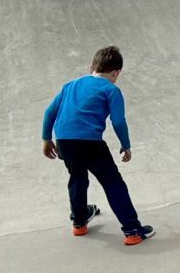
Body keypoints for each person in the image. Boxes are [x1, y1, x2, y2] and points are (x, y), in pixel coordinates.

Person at [41, 45, 154, 246]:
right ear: (116, 73)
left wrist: (46, 139)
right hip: (90, 143)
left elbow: (50, 112)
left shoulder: (70, 85)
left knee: (77, 179)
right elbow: (118, 121)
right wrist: (126, 145)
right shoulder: (111, 89)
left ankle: (79, 222)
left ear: (91, 66)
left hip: (64, 142)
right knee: (113, 183)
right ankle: (133, 230)